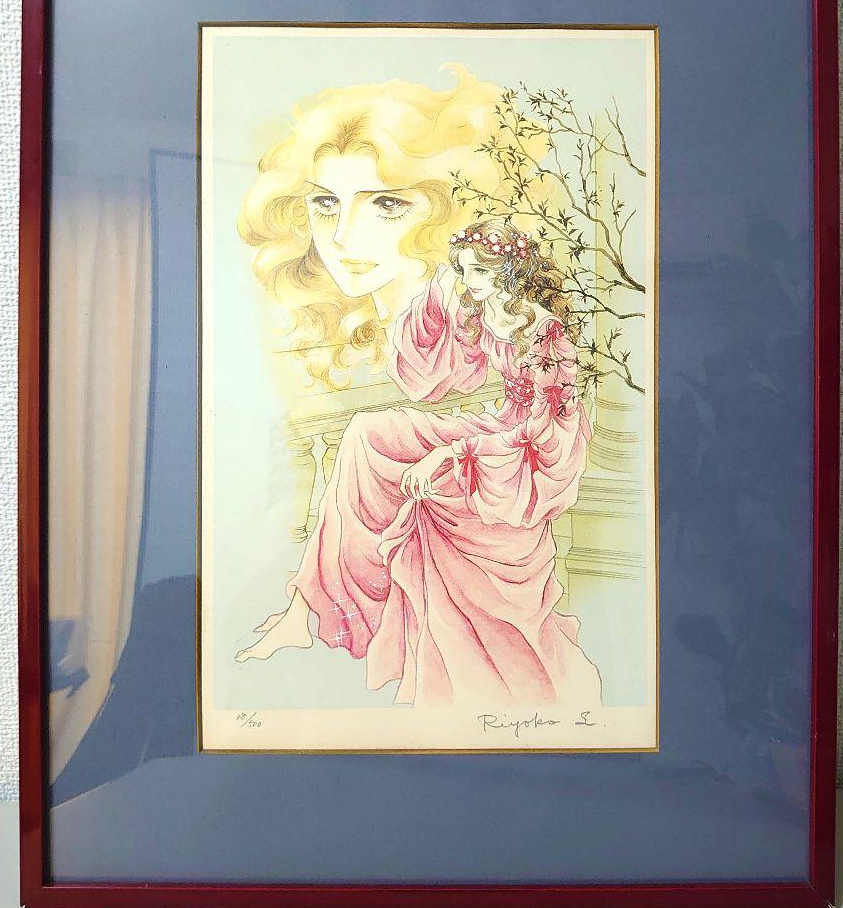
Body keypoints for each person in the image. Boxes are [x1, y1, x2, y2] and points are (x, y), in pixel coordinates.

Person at [235, 217, 603, 710]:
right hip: (494, 430)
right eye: (464, 270)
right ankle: (312, 610)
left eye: (480, 271)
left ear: (509, 271)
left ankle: (367, 623)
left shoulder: (545, 331)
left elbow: (548, 431)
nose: (469, 281)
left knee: (427, 486)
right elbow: (428, 373)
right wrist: (439, 289)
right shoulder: (483, 310)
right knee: (366, 434)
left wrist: (450, 454)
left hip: (519, 457)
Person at [237, 63, 548, 392]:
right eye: (326, 203)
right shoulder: (352, 335)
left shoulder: (490, 330)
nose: (343, 236)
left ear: (449, 212)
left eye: (387, 204)